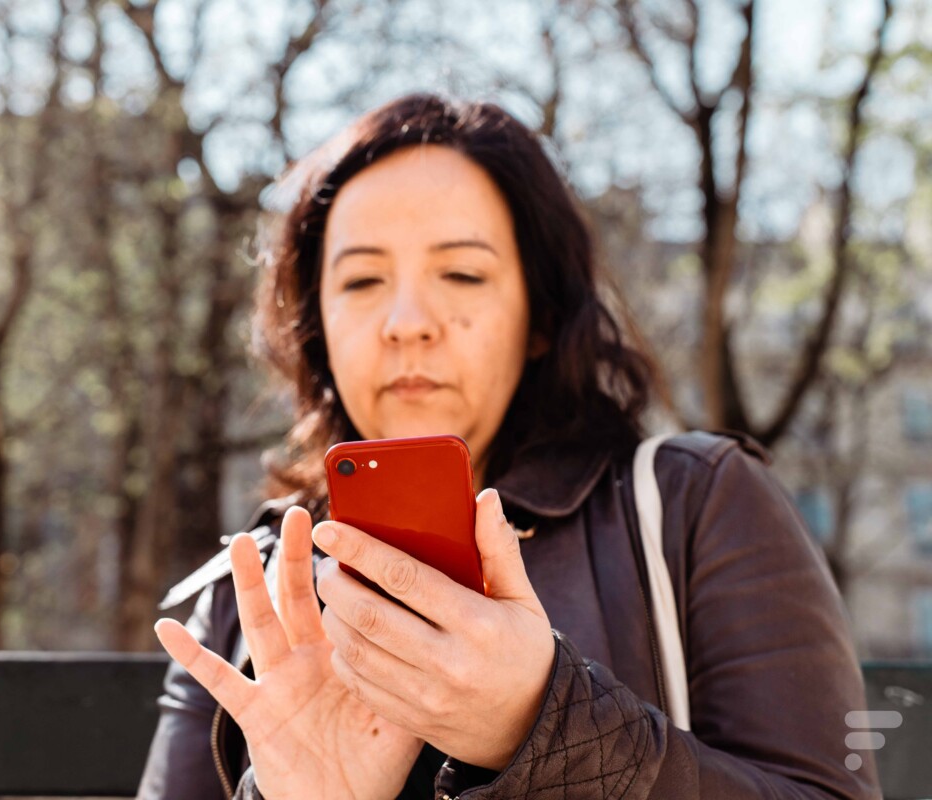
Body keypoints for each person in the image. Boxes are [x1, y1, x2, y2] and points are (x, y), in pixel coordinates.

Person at [136, 93, 881, 800]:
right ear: (317, 328)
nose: (406, 321)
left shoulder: (697, 502)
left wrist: (540, 723)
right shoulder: (259, 586)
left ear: (541, 317)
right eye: (361, 280)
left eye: (461, 273)